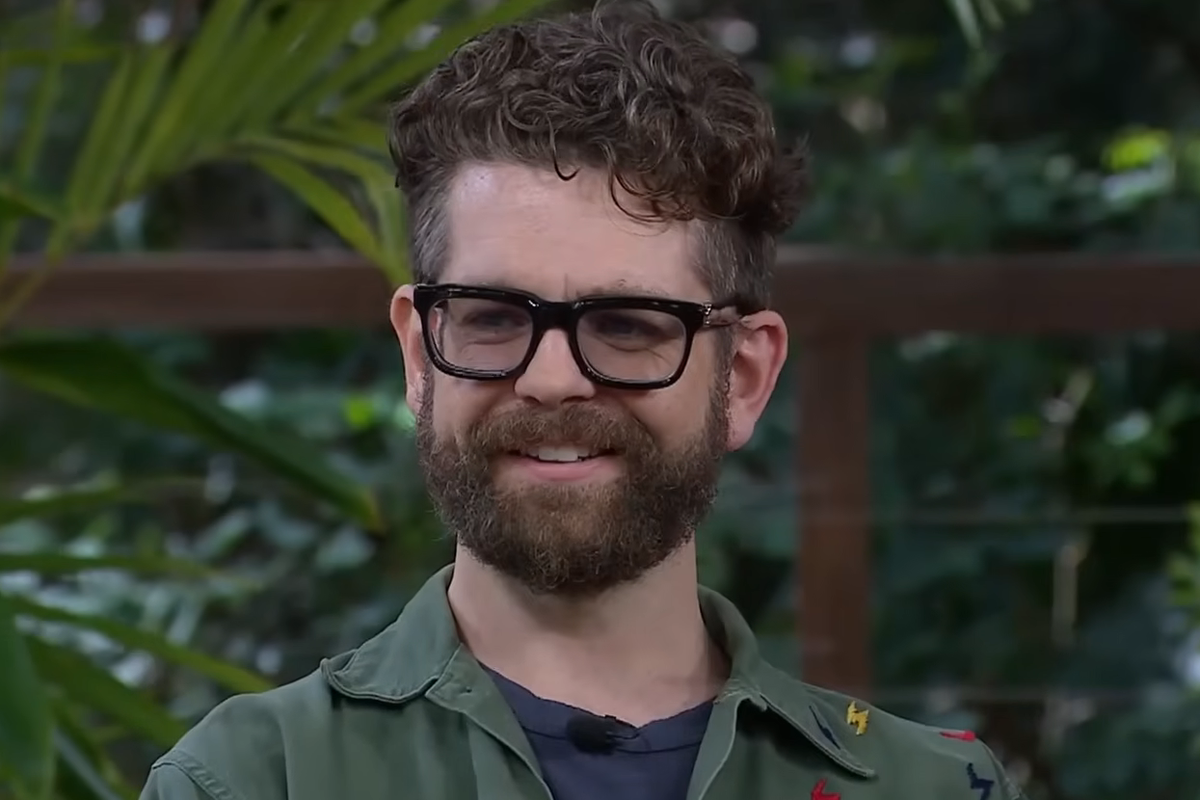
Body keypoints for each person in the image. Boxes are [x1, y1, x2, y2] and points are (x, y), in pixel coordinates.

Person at [139, 1, 1026, 798]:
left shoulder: (935, 791)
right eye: (492, 317)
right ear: (419, 354)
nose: (552, 378)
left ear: (745, 376)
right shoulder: (253, 781)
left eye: (628, 325)